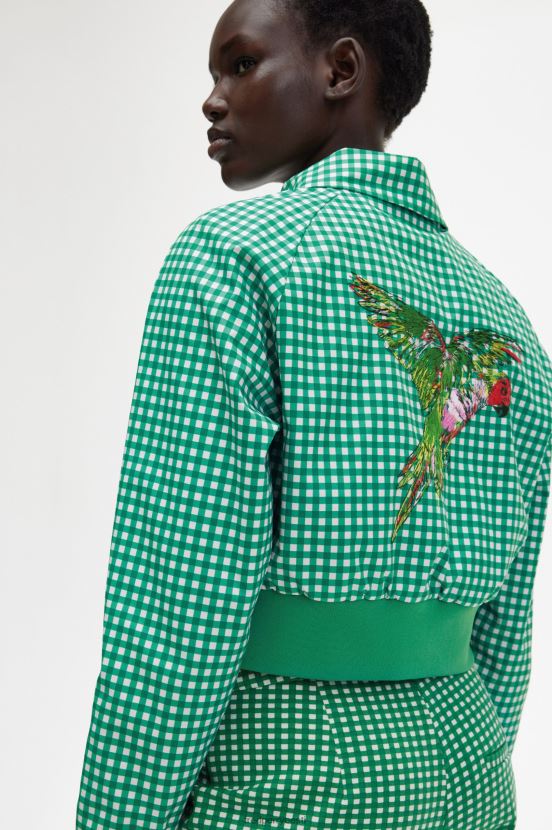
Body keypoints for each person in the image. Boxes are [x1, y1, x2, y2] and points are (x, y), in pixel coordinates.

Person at [76, 1, 552, 828]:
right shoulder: (506, 318)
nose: (212, 99)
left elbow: (179, 604)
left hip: (293, 767)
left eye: (241, 64)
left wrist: (117, 815)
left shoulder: (233, 261)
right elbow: (507, 628)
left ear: (341, 70)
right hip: (472, 765)